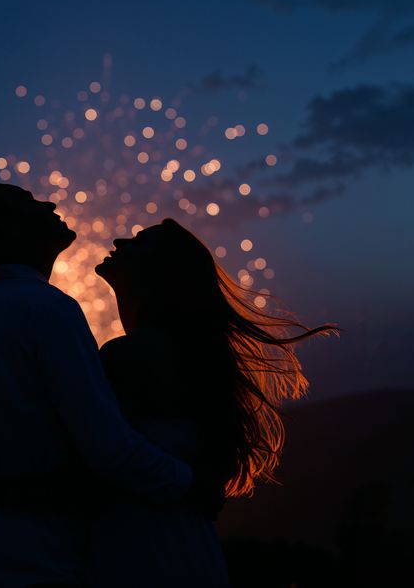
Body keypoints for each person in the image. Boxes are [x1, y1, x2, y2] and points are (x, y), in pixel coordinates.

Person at [0, 183, 196, 588]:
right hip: (40, 560)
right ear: (9, 230)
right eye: (28, 203)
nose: (49, 202)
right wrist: (191, 485)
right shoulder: (50, 310)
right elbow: (108, 446)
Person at [88, 218, 338, 588]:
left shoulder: (131, 357)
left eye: (139, 243)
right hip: (187, 550)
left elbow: (95, 454)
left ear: (159, 274)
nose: (120, 239)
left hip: (143, 555)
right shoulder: (189, 358)